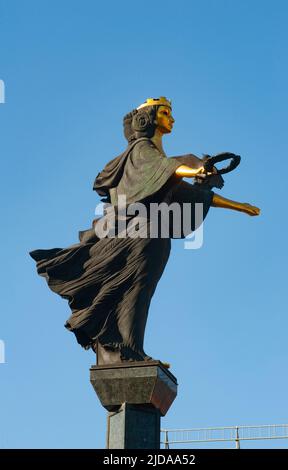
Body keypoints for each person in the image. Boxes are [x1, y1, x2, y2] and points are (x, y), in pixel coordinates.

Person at [30, 97, 260, 365]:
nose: (172, 119)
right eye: (165, 113)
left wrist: (239, 205)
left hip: (154, 235)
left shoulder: (161, 161)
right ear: (146, 119)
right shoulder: (142, 150)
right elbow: (170, 170)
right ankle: (127, 349)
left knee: (139, 291)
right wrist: (195, 168)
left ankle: (130, 349)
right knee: (135, 290)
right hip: (141, 234)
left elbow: (186, 189)